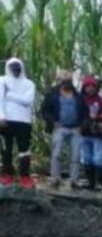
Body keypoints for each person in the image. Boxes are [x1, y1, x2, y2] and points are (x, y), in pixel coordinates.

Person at [40, 70, 86, 189]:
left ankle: (74, 180)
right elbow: (44, 110)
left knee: (76, 155)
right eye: (64, 81)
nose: (66, 83)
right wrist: (52, 122)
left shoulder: (78, 96)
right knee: (56, 154)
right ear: (59, 81)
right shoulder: (52, 94)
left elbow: (86, 113)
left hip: (75, 128)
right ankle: (55, 178)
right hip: (59, 128)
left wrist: (82, 126)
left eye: (69, 81)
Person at [0, 57, 36, 189]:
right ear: (8, 67)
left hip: (24, 121)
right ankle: (7, 174)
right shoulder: (2, 80)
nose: (16, 69)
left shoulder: (29, 83)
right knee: (6, 149)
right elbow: (0, 100)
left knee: (24, 149)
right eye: (13, 66)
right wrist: (1, 116)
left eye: (18, 66)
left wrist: (9, 95)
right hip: (6, 120)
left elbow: (28, 100)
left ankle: (25, 176)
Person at [79, 76, 102, 190]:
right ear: (84, 87)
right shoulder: (80, 100)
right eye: (88, 86)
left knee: (98, 159)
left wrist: (99, 119)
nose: (90, 89)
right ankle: (91, 182)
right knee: (86, 158)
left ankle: (101, 181)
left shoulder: (101, 101)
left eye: (93, 86)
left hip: (98, 133)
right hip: (84, 132)